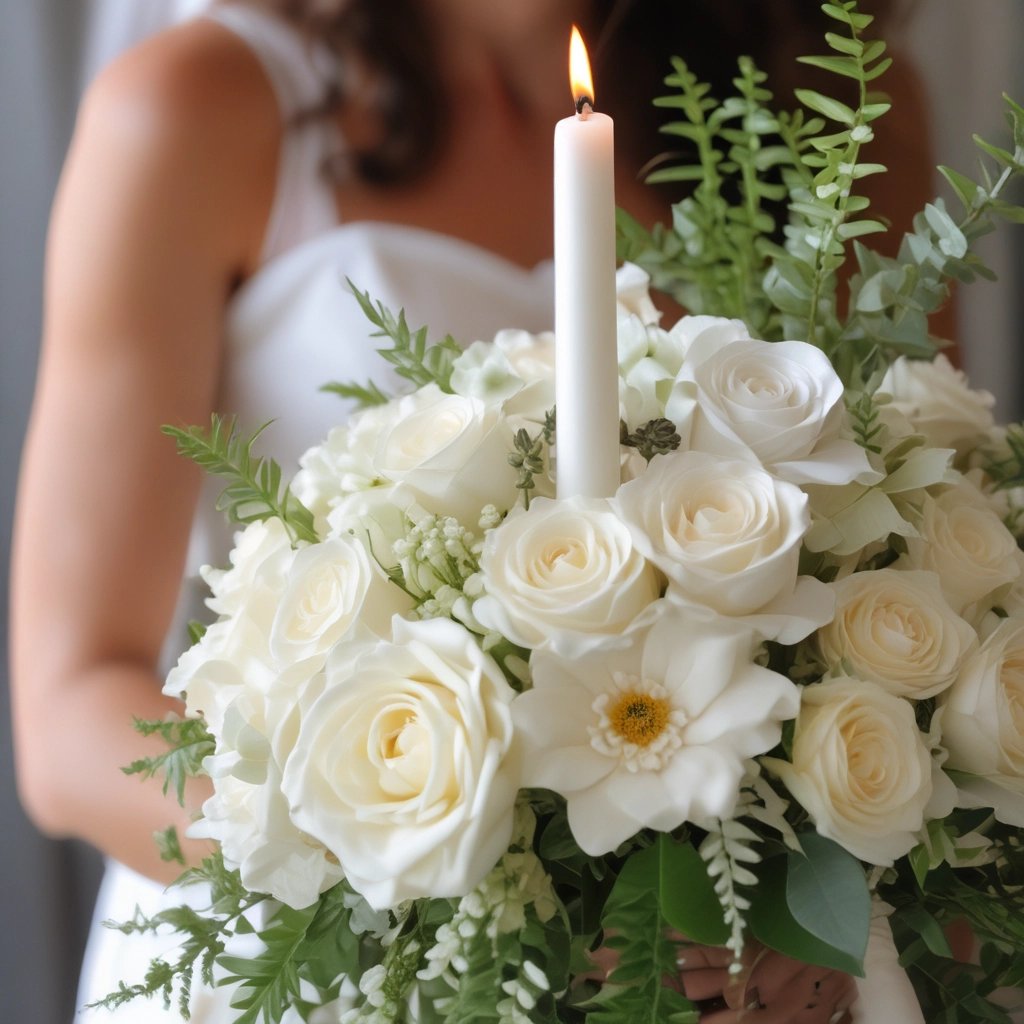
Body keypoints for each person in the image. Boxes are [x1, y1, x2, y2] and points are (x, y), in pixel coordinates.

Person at [9, 1, 936, 1021]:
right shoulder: (194, 106)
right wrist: (446, 891)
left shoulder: (845, 109)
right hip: (339, 971)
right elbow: (71, 712)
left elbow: (905, 557)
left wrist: (818, 912)